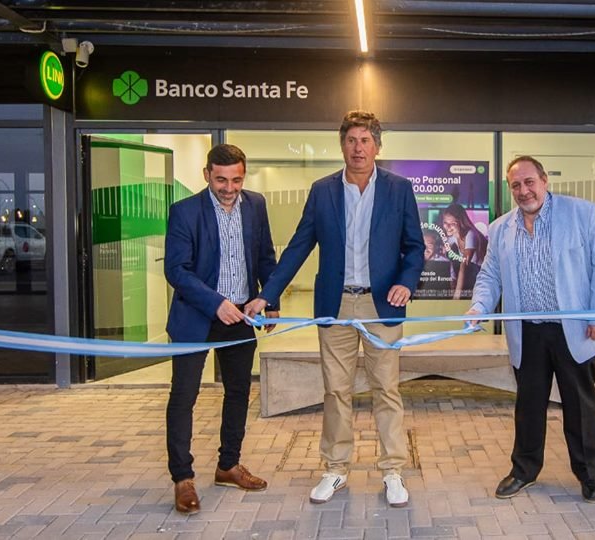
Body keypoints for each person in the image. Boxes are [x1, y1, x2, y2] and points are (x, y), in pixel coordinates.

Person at [245, 110, 424, 508]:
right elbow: (297, 247)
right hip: (336, 304)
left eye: (365, 140)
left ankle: (393, 471)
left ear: (377, 145)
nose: (358, 148)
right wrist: (268, 294)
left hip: (381, 305)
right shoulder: (323, 190)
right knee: (336, 390)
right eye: (351, 140)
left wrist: (405, 283)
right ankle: (335, 468)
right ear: (341, 145)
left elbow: (415, 247)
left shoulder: (399, 189)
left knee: (387, 390)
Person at [467, 156, 595, 504]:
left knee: (580, 407)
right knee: (528, 405)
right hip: (528, 332)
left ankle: (589, 474)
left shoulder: (582, 214)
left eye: (529, 182)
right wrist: (479, 307)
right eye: (516, 185)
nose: (524, 191)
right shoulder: (501, 228)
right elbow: (490, 276)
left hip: (574, 329)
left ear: (544, 180)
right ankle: (524, 470)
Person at [164, 143, 279, 515]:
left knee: (238, 392)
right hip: (196, 317)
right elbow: (176, 270)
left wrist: (270, 298)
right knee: (184, 397)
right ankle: (182, 479)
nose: (229, 188)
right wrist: (216, 303)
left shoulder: (256, 205)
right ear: (207, 175)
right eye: (221, 180)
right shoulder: (184, 212)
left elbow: (264, 256)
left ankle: (228, 466)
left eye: (236, 180)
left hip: (242, 316)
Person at [439, 203, 487, 300]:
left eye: (453, 223)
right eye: (445, 222)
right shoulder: (452, 237)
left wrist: (457, 295)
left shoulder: (470, 234)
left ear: (460, 222)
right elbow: (447, 258)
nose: (448, 227)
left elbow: (464, 266)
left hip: (482, 274)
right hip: (471, 275)